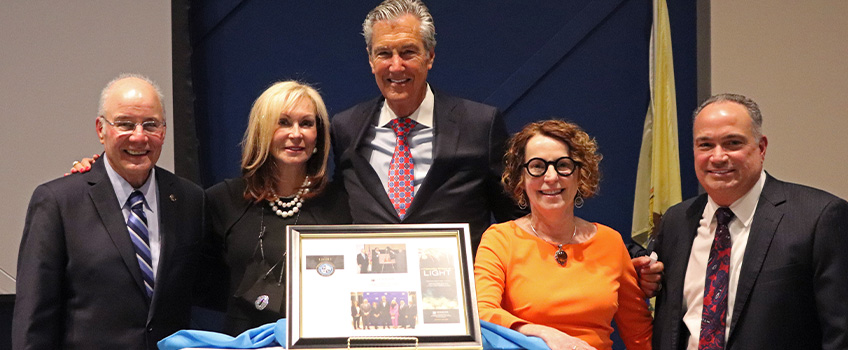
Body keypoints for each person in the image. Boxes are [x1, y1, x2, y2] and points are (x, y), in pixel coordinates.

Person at [12, 74, 205, 350]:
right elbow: (34, 319)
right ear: (101, 129)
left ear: (163, 131)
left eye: (150, 124)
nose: (139, 136)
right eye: (125, 124)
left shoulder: (189, 199)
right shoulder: (58, 202)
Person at [652, 93, 848, 349]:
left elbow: (841, 335)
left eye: (732, 143)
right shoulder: (677, 221)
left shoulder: (819, 218)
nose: (718, 157)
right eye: (705, 145)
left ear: (761, 147)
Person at [330, 0, 522, 256]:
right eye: (384, 53)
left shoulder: (480, 125)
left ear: (430, 56)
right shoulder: (346, 128)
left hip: (457, 290)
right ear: (370, 59)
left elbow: (516, 220)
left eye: (408, 52)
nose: (396, 66)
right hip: (373, 287)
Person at [475, 120, 652, 350]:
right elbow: (482, 312)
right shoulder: (500, 239)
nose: (551, 177)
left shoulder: (611, 242)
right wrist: (543, 335)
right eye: (537, 166)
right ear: (521, 179)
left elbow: (640, 336)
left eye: (563, 165)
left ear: (581, 175)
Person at [204, 81, 351, 334]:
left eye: (306, 123)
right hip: (242, 342)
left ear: (318, 135)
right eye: (283, 122)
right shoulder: (223, 200)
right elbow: (204, 283)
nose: (296, 134)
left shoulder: (342, 203)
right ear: (262, 131)